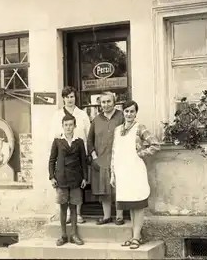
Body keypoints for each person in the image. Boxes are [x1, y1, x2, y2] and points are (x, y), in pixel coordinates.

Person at [110, 100, 160, 249]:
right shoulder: (117, 130)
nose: (129, 114)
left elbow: (156, 145)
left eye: (132, 111)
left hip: (136, 170)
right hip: (122, 172)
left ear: (136, 113)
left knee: (138, 204)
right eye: (126, 111)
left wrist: (140, 154)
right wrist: (113, 174)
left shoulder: (140, 128)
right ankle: (134, 236)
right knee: (130, 204)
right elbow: (114, 152)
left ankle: (136, 237)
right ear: (123, 112)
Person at [50, 86, 91, 224]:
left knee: (77, 184)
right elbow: (53, 136)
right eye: (67, 97)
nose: (70, 99)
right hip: (64, 152)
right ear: (63, 98)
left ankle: (78, 213)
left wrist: (88, 152)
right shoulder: (57, 115)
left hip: (79, 152)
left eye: (72, 96)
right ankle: (68, 214)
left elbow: (88, 134)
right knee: (64, 185)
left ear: (75, 98)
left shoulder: (82, 114)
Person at [48, 114, 88, 246]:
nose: (68, 127)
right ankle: (63, 235)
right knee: (63, 208)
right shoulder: (58, 141)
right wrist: (52, 177)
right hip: (61, 179)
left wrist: (84, 177)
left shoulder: (79, 141)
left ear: (75, 126)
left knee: (74, 208)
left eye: (71, 125)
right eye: (66, 125)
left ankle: (74, 235)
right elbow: (52, 160)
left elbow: (83, 160)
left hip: (76, 179)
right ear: (62, 126)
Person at [87, 91, 125, 225]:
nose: (106, 104)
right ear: (100, 104)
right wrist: (94, 157)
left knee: (118, 189)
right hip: (101, 160)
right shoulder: (96, 120)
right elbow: (89, 140)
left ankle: (119, 216)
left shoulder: (121, 116)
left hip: (118, 159)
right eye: (103, 102)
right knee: (104, 191)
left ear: (114, 102)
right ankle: (106, 216)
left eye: (109, 101)